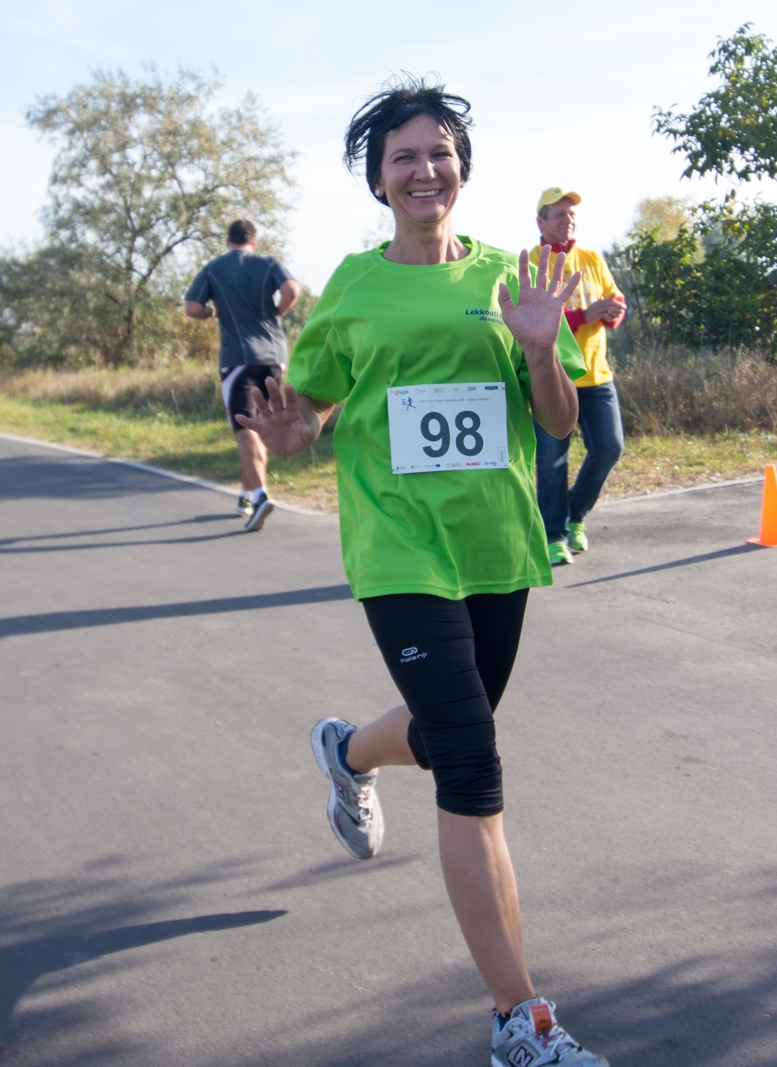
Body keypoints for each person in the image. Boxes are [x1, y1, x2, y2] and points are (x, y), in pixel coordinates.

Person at [238, 81, 610, 1067]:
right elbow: (309, 406)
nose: (423, 169)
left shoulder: (513, 276)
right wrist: (292, 426)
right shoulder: (354, 286)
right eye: (402, 156)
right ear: (376, 179)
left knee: (461, 719)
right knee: (470, 759)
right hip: (398, 542)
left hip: (493, 540)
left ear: (462, 167)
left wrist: (541, 348)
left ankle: (349, 751)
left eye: (439, 151)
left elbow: (562, 423)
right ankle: (518, 1020)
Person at [528, 189, 627, 566]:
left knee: (609, 449)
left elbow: (615, 303)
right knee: (552, 461)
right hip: (553, 377)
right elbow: (536, 319)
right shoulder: (532, 262)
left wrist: (610, 312)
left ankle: (574, 517)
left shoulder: (591, 259)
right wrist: (582, 317)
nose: (567, 219)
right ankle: (553, 536)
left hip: (597, 377)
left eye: (571, 214)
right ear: (541, 221)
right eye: (558, 214)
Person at [184, 220, 301, 532]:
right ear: (254, 241)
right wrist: (277, 313)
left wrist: (212, 312)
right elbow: (292, 289)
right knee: (264, 423)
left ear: (228, 241)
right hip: (275, 356)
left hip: (238, 358)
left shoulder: (214, 267)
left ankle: (261, 494)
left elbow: (193, 308)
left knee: (244, 426)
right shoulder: (268, 263)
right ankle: (247, 492)